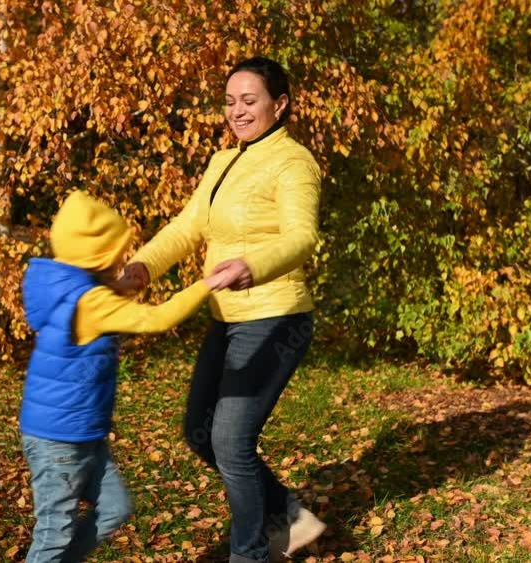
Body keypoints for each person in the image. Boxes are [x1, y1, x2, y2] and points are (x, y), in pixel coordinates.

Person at [119, 56, 325, 563]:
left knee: (231, 440)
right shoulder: (223, 160)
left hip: (276, 317)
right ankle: (290, 518)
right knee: (200, 433)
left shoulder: (293, 162)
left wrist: (253, 266)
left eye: (250, 100)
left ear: (280, 104)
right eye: (230, 102)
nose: (238, 111)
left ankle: (249, 555)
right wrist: (143, 267)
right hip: (226, 316)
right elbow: (188, 227)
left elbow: (303, 237)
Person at [19, 190, 232, 563]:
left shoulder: (56, 281)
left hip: (80, 432)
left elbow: (86, 294)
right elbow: (156, 318)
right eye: (116, 253)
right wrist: (208, 284)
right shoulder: (93, 303)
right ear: (98, 255)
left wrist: (121, 287)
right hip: (60, 441)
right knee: (54, 534)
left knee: (114, 508)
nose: (120, 259)